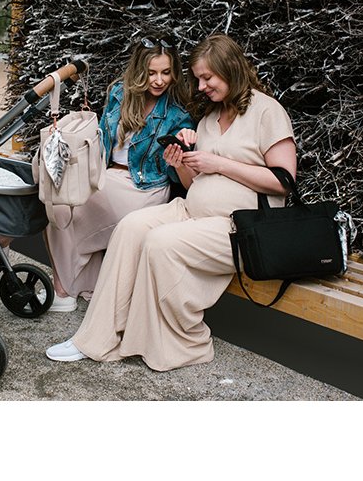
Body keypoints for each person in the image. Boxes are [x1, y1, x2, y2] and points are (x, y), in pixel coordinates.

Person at [45, 33, 297, 370]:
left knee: (160, 242)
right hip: (193, 211)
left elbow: (284, 181)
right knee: (131, 227)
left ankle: (179, 345)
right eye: (198, 79)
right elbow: (193, 184)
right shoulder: (209, 119)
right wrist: (180, 162)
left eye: (207, 78)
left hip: (241, 224)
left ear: (231, 69)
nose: (201, 86)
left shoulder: (266, 110)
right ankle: (93, 338)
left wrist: (218, 163)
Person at [44, 36, 194, 312]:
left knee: (69, 206)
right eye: (151, 72)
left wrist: (181, 152)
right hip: (106, 177)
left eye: (165, 72)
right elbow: (101, 140)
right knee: (58, 202)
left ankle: (63, 290)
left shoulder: (177, 116)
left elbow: (178, 177)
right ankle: (83, 285)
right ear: (139, 70)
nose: (159, 80)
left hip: (144, 188)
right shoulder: (118, 94)